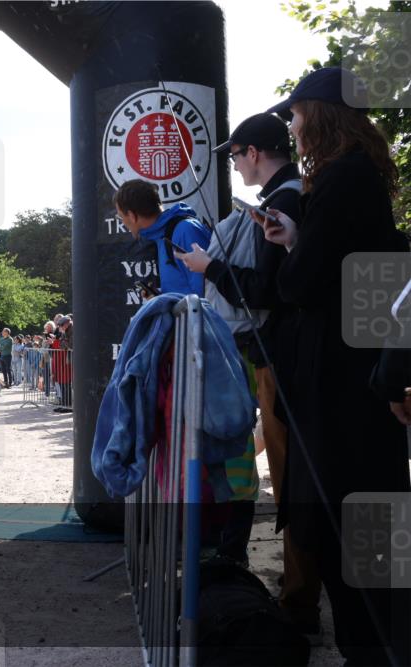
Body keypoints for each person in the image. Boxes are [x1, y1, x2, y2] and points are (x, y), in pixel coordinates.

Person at [260, 67, 410, 665]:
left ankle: (370, 649)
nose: (291, 127)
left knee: (346, 520)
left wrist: (292, 246)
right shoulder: (364, 176)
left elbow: (302, 285)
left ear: (318, 114)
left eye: (294, 115)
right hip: (361, 374)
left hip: (340, 384)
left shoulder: (341, 180)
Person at [178, 113, 319, 625]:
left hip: (283, 359)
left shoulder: (282, 202)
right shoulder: (296, 194)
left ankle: (300, 601)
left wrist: (207, 267)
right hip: (300, 356)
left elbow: (266, 292)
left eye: (235, 156)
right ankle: (303, 592)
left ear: (253, 152)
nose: (234, 166)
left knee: (291, 482)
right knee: (295, 478)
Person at [113, 178, 211, 296]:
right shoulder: (162, 235)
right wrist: (160, 299)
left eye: (121, 217)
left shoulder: (184, 230)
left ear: (132, 216)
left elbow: (208, 295)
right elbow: (184, 292)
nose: (122, 222)